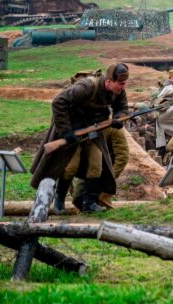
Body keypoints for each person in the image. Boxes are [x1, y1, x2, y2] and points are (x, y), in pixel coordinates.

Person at [31, 63, 130, 213]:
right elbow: (58, 102)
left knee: (97, 163)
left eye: (124, 83)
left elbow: (122, 107)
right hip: (72, 128)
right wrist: (66, 132)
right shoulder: (86, 87)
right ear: (108, 81)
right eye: (120, 83)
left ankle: (89, 203)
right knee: (71, 166)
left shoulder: (119, 91)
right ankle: (60, 198)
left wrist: (118, 117)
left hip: (94, 128)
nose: (123, 87)